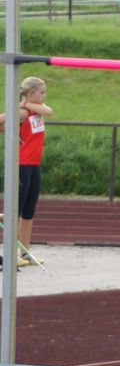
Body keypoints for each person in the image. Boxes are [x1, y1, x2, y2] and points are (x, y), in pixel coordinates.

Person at [0, 76, 53, 267]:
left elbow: (49, 110)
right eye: (41, 92)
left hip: (34, 166)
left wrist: (27, 103)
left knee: (29, 212)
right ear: (31, 93)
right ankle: (11, 253)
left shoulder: (36, 109)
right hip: (21, 165)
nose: (44, 95)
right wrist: (8, 129)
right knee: (16, 210)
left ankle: (25, 252)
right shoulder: (22, 112)